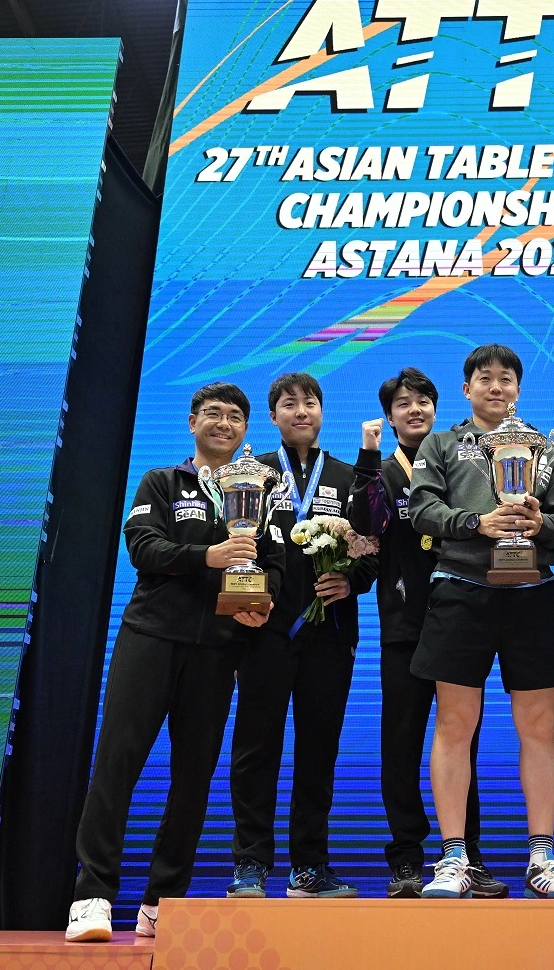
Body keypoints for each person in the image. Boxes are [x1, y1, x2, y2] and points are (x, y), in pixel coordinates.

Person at [66, 383, 282, 942]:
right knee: (118, 764)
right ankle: (91, 895)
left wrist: (263, 603)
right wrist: (205, 556)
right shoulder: (163, 481)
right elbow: (143, 547)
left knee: (193, 779)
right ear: (192, 423)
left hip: (217, 650)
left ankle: (163, 899)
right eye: (214, 414)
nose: (225, 424)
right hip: (150, 639)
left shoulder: (261, 490)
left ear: (246, 430)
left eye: (236, 417)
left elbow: (275, 562)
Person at [408, 343, 554, 899]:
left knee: (538, 726)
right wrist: (476, 523)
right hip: (460, 590)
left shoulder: (545, 448)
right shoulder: (440, 444)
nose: (496, 387)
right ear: (466, 389)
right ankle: (454, 859)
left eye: (506, 379)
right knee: (454, 724)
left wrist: (541, 523)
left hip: (532, 592)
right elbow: (422, 509)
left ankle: (543, 857)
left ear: (518, 387)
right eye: (484, 378)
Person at [347, 367, 506, 898]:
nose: (415, 410)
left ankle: (466, 855)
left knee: (462, 742)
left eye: (423, 402)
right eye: (403, 404)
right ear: (390, 416)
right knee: (402, 741)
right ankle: (408, 858)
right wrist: (368, 455)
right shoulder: (384, 472)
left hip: (463, 617)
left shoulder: (466, 459)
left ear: (437, 409)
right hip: (406, 624)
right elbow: (363, 526)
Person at [227, 372, 376, 899]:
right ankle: (250, 864)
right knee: (255, 748)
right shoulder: (251, 473)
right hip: (262, 629)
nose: (301, 412)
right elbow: (231, 542)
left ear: (321, 411)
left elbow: (370, 549)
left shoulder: (346, 474)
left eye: (309, 402)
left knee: (319, 750)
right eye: (288, 404)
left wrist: (351, 580)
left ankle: (309, 866)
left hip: (329, 633)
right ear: (273, 416)